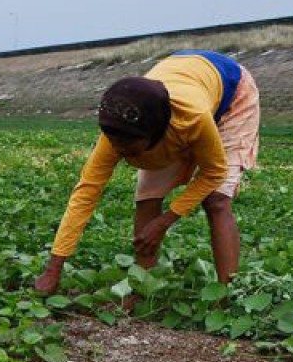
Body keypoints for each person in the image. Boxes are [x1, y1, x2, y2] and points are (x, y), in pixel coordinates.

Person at [34, 50, 260, 296]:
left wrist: (165, 221)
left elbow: (213, 173)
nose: (121, 153)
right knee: (147, 198)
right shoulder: (120, 131)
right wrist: (54, 268)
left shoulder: (192, 119)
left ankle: (228, 295)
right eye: (115, 144)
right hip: (183, 80)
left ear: (157, 134)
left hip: (231, 93)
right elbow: (87, 191)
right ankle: (143, 289)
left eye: (129, 148)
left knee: (216, 200)